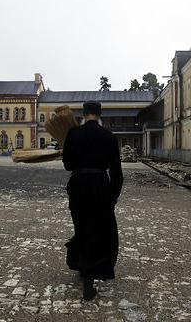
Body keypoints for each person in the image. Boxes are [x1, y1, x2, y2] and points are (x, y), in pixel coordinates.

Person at [63, 101, 124, 301]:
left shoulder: (73, 133)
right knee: (100, 230)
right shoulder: (109, 137)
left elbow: (68, 164)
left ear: (83, 113)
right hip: (100, 187)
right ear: (99, 114)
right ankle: (92, 272)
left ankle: (84, 268)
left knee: (82, 227)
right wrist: (112, 197)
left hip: (79, 186)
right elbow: (117, 173)